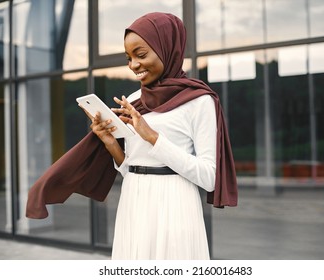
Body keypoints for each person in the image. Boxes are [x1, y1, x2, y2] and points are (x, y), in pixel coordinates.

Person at [26, 12, 237, 260]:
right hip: (133, 200)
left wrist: (153, 137)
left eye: (141, 54)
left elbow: (209, 177)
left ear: (167, 47)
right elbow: (131, 168)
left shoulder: (199, 100)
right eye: (129, 58)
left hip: (175, 205)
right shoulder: (135, 100)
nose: (134, 65)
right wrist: (111, 145)